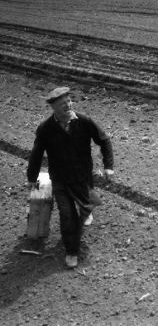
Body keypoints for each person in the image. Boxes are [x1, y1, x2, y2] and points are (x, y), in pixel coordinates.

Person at [26, 87, 114, 269]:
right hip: (60, 179)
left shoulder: (83, 121)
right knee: (67, 215)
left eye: (68, 101)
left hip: (82, 176)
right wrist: (31, 178)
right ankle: (72, 251)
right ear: (53, 107)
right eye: (61, 104)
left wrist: (108, 166)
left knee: (87, 204)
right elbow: (36, 154)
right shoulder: (45, 128)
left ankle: (86, 210)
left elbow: (104, 140)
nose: (67, 106)